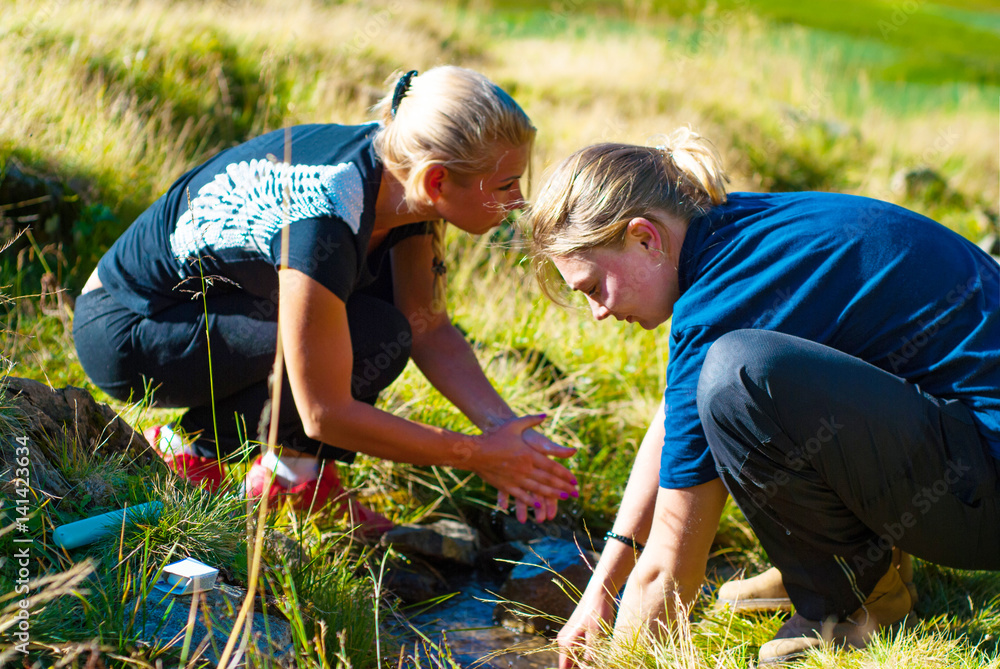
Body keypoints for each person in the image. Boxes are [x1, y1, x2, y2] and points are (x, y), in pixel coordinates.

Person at [525, 128, 1000, 665]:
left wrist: (626, 655)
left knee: (738, 380)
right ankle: (838, 561)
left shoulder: (722, 299)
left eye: (593, 288)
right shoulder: (739, 234)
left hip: (984, 493)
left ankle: (849, 601)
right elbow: (675, 421)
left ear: (644, 237)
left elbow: (670, 564)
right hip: (970, 446)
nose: (599, 313)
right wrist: (602, 586)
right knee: (723, 380)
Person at [73, 66, 579, 533]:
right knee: (356, 337)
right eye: (508, 185)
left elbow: (428, 328)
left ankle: (294, 478)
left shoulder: (401, 174)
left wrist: (508, 431)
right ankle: (194, 456)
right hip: (130, 329)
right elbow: (325, 412)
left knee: (386, 329)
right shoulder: (324, 215)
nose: (518, 203)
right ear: (438, 180)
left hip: (213, 312)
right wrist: (478, 455)